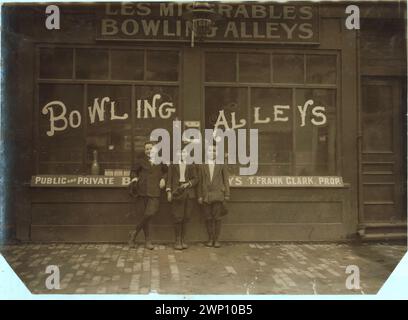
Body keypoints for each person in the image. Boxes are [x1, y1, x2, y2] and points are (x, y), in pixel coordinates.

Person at [128, 141, 167, 250]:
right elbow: (133, 171)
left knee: (150, 213)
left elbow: (167, 172)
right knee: (146, 216)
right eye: (147, 149)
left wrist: (164, 179)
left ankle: (134, 233)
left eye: (151, 148)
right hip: (142, 191)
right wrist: (134, 177)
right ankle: (148, 241)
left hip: (155, 191)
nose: (149, 151)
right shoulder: (140, 161)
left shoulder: (161, 161)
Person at [197, 145, 230, 248]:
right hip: (206, 195)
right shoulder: (202, 166)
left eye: (214, 150)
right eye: (210, 150)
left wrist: (227, 194)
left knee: (217, 217)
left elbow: (226, 180)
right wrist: (199, 196)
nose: (212, 152)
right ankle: (210, 239)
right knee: (208, 217)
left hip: (218, 195)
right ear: (207, 153)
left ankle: (216, 239)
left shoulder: (221, 165)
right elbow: (200, 182)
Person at [166, 148, 198, 250]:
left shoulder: (191, 165)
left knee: (186, 216)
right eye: (180, 152)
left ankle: (183, 240)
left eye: (184, 152)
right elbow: (169, 179)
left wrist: (188, 184)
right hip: (177, 192)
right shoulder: (173, 165)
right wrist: (169, 191)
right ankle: (177, 240)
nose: (182, 154)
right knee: (178, 216)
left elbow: (196, 179)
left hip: (188, 193)